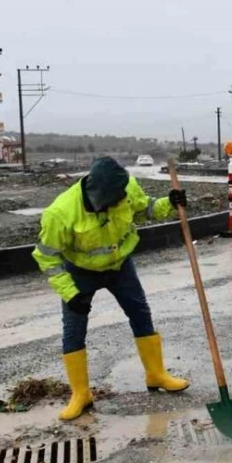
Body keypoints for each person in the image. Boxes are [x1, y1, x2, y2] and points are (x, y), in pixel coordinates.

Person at [32, 157, 191, 420]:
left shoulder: (126, 187)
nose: (121, 201)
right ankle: (80, 394)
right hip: (80, 272)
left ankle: (156, 374)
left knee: (140, 314)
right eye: (115, 200)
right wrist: (70, 294)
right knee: (74, 329)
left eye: (122, 197)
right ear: (99, 198)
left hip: (120, 266)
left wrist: (169, 203)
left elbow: (146, 208)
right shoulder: (60, 213)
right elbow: (46, 256)